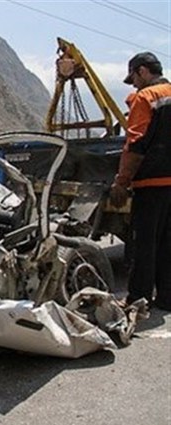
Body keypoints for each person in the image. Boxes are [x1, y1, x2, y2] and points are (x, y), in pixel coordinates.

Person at [110, 52, 171, 311]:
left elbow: (135, 144)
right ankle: (167, 298)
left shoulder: (145, 98)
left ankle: (137, 299)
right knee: (168, 242)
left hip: (151, 184)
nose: (133, 83)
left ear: (143, 71)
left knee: (143, 243)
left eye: (133, 77)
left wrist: (121, 182)